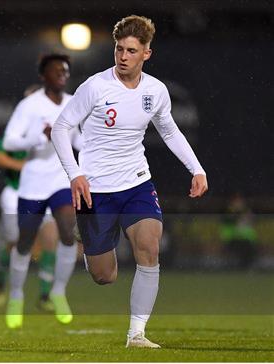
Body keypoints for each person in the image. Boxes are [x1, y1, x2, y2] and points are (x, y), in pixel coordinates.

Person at [51, 15, 208, 348]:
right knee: (104, 276)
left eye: (131, 51)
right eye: (119, 49)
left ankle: (136, 334)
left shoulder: (156, 91)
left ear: (146, 54)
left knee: (149, 249)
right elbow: (61, 128)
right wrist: (75, 174)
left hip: (137, 182)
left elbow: (169, 130)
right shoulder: (95, 86)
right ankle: (89, 240)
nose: (123, 56)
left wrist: (196, 169)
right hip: (96, 190)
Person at [3, 54, 81, 328]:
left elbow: (80, 139)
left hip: (61, 180)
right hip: (34, 182)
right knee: (25, 242)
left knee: (68, 231)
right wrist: (39, 137)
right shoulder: (29, 105)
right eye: (56, 70)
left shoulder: (74, 103)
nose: (62, 74)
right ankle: (15, 295)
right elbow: (10, 141)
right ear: (43, 75)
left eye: (66, 71)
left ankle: (58, 291)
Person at [0, 135, 58, 311]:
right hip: (15, 194)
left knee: (50, 240)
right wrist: (24, 167)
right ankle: (1, 286)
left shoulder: (50, 135)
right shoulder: (15, 135)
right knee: (15, 243)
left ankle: (45, 295)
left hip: (43, 194)